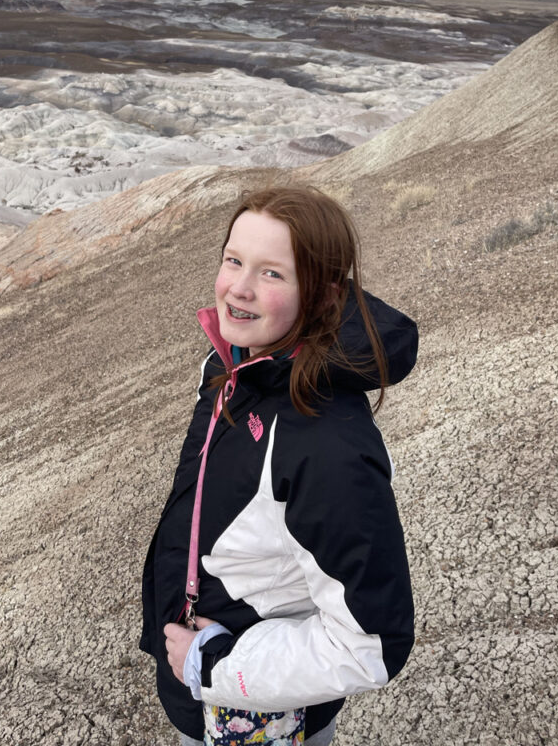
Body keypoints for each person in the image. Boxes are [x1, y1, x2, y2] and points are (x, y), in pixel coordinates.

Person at [140, 185, 418, 746]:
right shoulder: (240, 365)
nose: (238, 289)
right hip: (209, 681)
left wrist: (214, 663)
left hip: (256, 707)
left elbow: (371, 645)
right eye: (234, 260)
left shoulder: (326, 447)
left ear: (319, 297)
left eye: (272, 273)